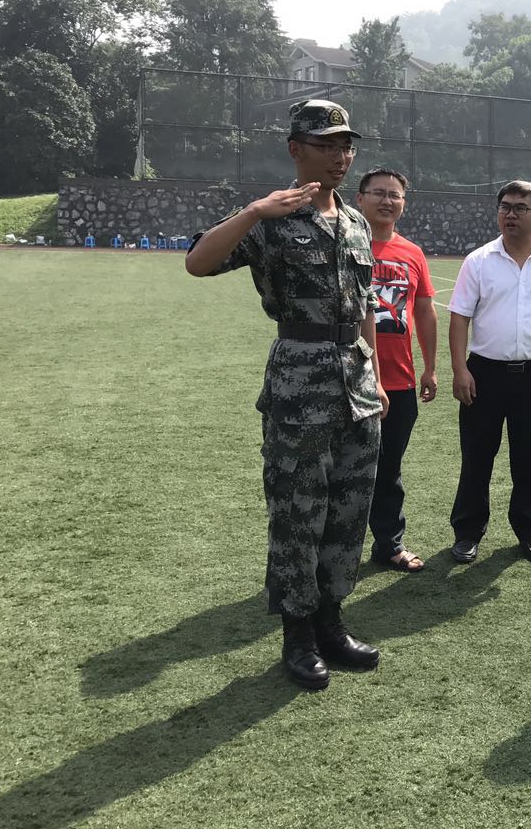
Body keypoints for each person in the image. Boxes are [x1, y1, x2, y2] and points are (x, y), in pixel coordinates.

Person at [185, 99, 387, 691]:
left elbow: (365, 304)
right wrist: (254, 210)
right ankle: (297, 637)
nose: (340, 156)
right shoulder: (271, 218)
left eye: (346, 145)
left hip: (356, 385)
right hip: (300, 384)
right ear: (296, 149)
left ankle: (331, 623)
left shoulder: (355, 222)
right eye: (327, 145)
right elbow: (198, 263)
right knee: (299, 513)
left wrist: (375, 374)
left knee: (348, 511)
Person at [446, 180, 531, 564]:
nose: (510, 214)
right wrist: (459, 369)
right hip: (484, 373)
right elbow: (459, 318)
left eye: (520, 208)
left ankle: (529, 529)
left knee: (529, 456)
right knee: (476, 455)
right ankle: (468, 532)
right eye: (505, 206)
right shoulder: (478, 261)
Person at [355, 167, 438, 573]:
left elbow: (424, 311)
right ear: (360, 198)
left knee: (388, 470)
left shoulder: (412, 253)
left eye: (395, 195)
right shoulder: (345, 244)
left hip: (400, 380)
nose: (387, 201)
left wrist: (430, 368)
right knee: (346, 469)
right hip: (350, 379)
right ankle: (337, 549)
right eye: (378, 193)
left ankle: (388, 544)